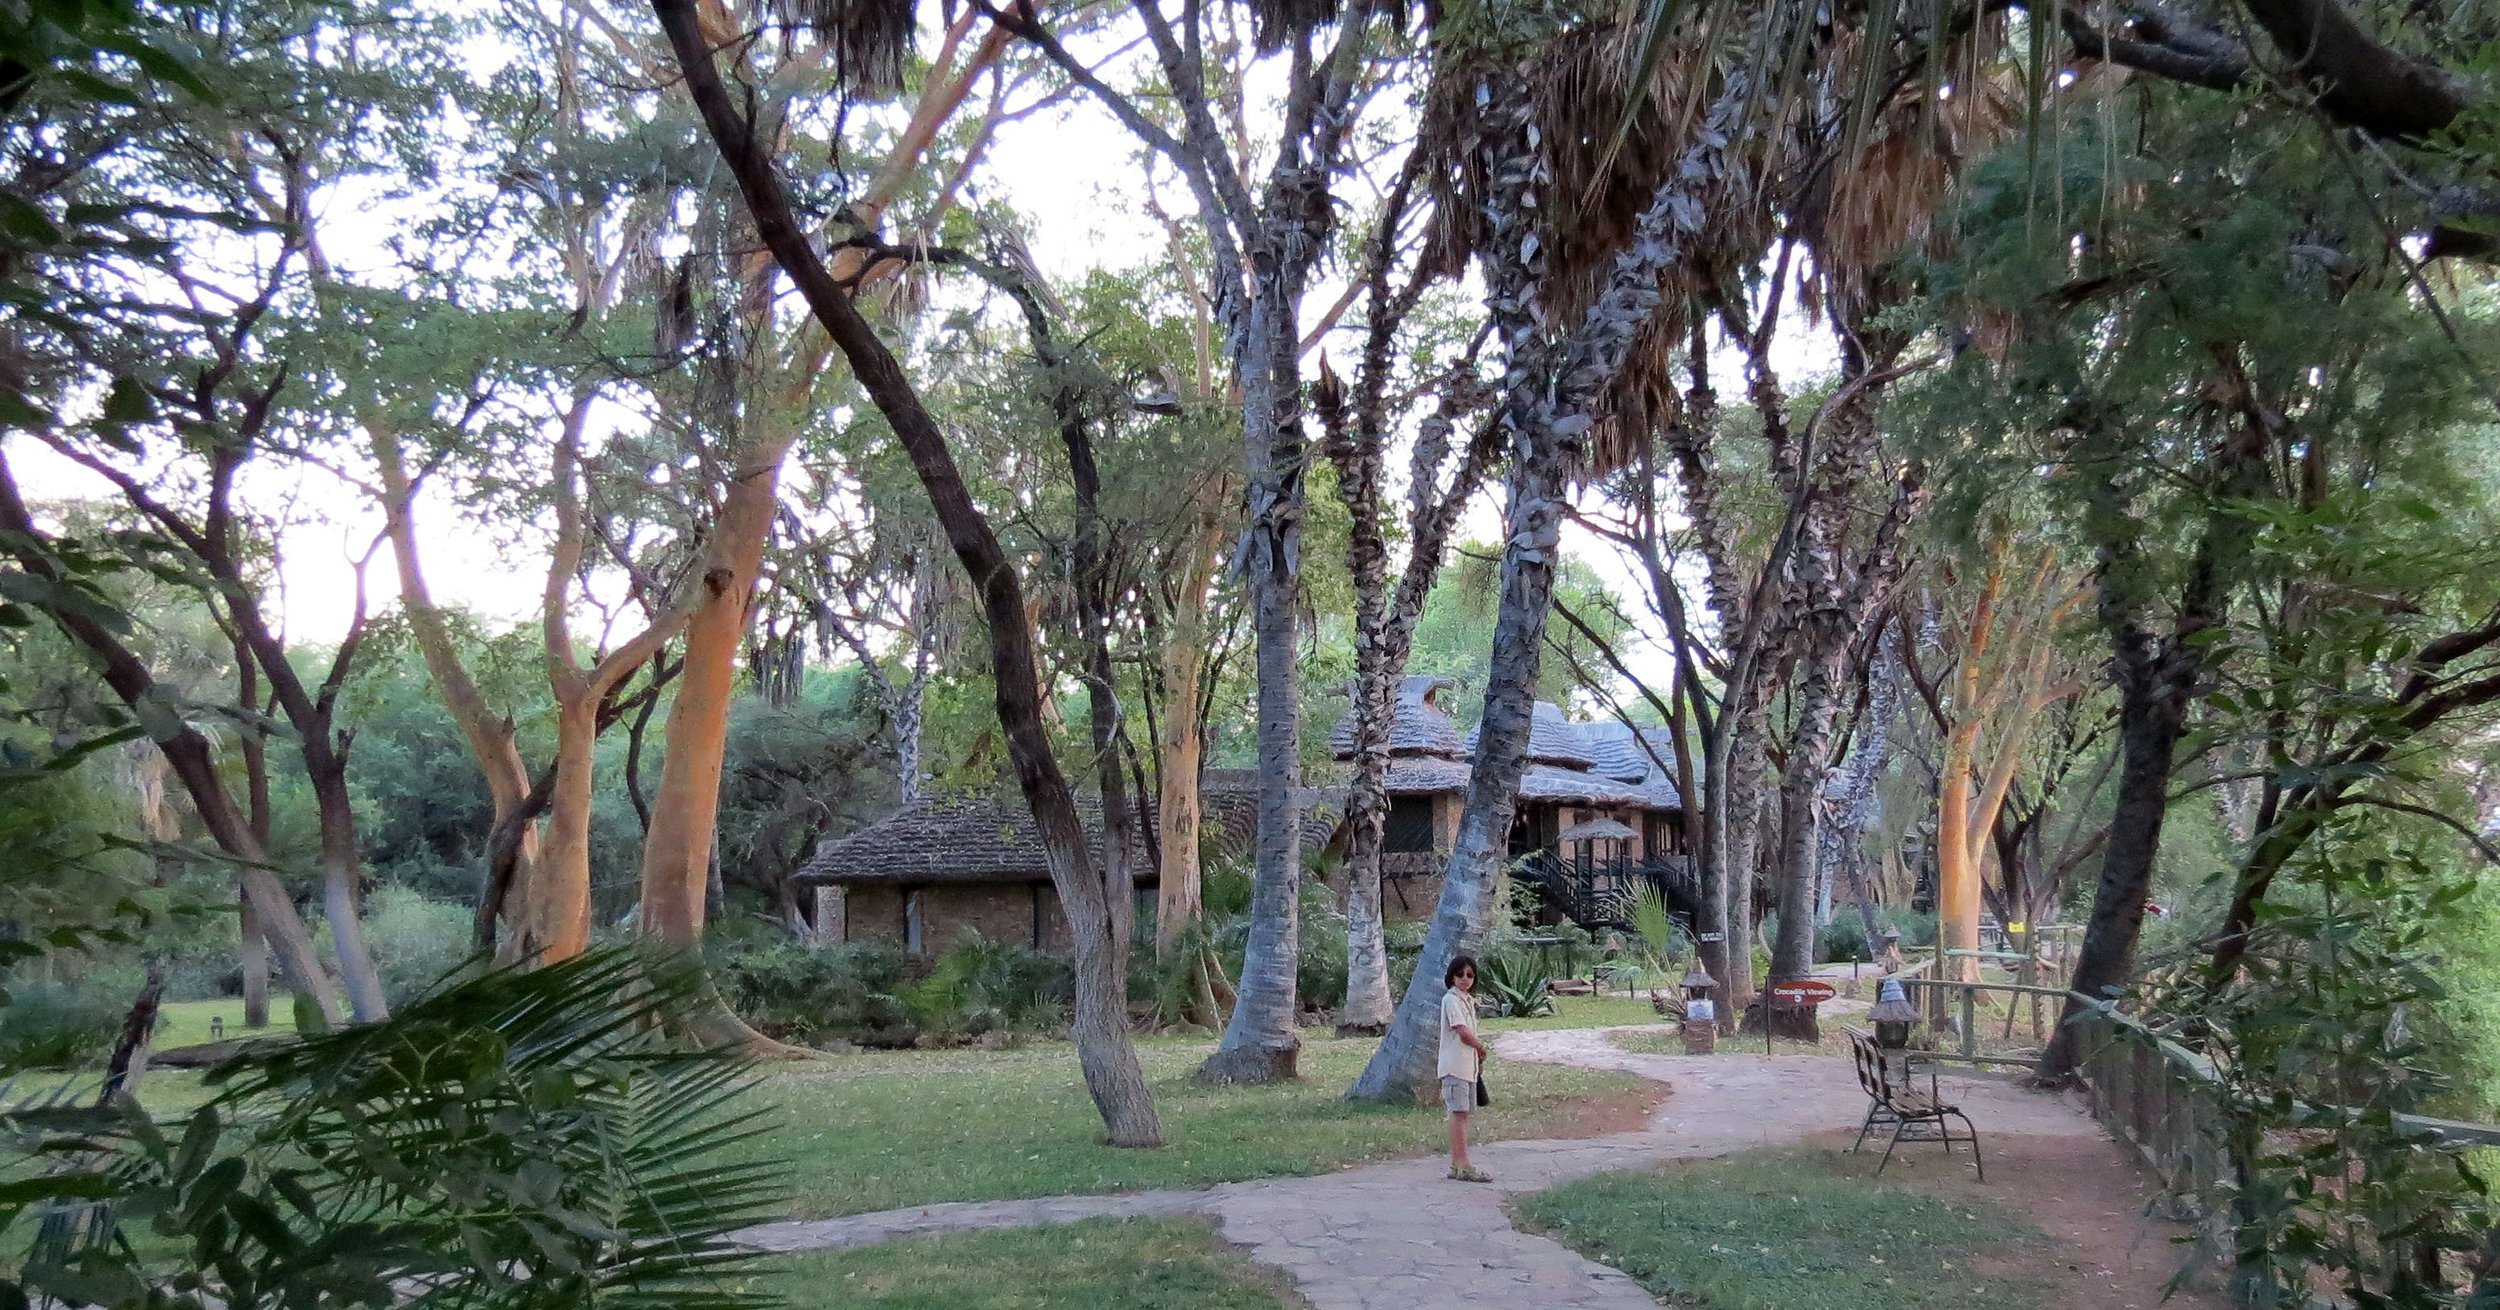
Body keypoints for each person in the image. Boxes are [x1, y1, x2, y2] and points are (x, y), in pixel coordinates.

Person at [1440, 955, 1491, 1182]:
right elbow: (1462, 1031)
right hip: (1455, 1066)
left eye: (1469, 975)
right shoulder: (1451, 1000)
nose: (1465, 979)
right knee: (1458, 1114)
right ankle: (1463, 1164)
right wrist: (1480, 1046)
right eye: (1460, 974)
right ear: (1452, 976)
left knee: (1463, 1114)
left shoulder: (1467, 1001)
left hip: (1467, 1067)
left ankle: (1457, 1163)